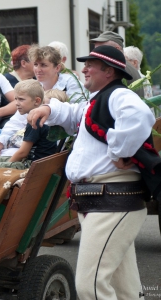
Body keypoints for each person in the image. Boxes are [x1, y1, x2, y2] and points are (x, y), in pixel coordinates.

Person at [27, 45, 153, 299]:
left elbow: (140, 116)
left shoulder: (119, 96)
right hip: (104, 201)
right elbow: (76, 115)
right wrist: (49, 109)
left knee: (90, 286)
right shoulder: (99, 100)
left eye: (90, 65)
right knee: (124, 288)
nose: (83, 69)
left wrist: (120, 152)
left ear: (108, 71)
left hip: (112, 201)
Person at [0, 79, 56, 169]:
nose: (16, 103)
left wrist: (6, 165)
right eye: (16, 99)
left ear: (37, 101)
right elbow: (11, 127)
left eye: (21, 99)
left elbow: (22, 153)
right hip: (31, 161)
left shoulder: (35, 121)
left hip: (34, 165)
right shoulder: (35, 117)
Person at [89, 31, 144, 97]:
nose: (97, 53)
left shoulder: (119, 68)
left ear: (117, 49)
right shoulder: (125, 66)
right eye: (96, 49)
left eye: (102, 49)